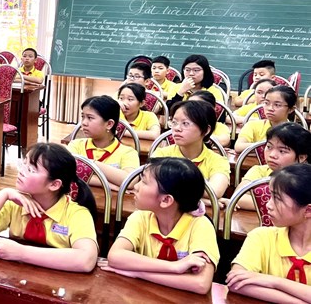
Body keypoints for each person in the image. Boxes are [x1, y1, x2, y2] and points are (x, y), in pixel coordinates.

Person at [0, 143, 98, 272]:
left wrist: (21, 253)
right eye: (23, 164)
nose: (21, 172)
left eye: (31, 170)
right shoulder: (15, 204)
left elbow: (86, 260)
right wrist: (4, 194)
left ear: (54, 185)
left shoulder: (77, 214)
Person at [102, 157, 220, 295]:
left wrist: (137, 273)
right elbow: (115, 256)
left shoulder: (200, 225)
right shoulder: (140, 217)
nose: (136, 186)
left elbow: (200, 284)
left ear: (166, 200)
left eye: (144, 182)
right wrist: (174, 267)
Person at [227, 164, 311, 302]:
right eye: (270, 196)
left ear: (308, 210)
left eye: (277, 198)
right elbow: (235, 282)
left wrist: (274, 281)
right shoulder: (261, 237)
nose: (268, 205)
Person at [150, 100, 230, 199]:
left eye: (185, 123)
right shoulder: (161, 155)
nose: (177, 128)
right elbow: (151, 185)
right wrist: (202, 201)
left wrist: (169, 186)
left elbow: (215, 191)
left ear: (206, 130)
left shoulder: (218, 161)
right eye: (174, 122)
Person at [224, 123, 311, 210]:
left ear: (302, 157)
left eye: (282, 151)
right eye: (269, 147)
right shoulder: (259, 171)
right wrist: (289, 206)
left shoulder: (307, 179)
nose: (272, 155)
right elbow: (238, 198)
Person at [67, 95, 139, 188]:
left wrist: (90, 163)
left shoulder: (128, 152)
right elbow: (64, 173)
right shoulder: (76, 145)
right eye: (83, 117)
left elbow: (130, 181)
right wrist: (109, 185)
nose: (84, 123)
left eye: (90, 118)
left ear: (109, 124)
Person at [236, 85, 298, 153]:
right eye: (266, 103)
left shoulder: (296, 132)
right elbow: (238, 147)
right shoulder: (253, 125)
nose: (270, 108)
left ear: (291, 109)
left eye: (277, 105)